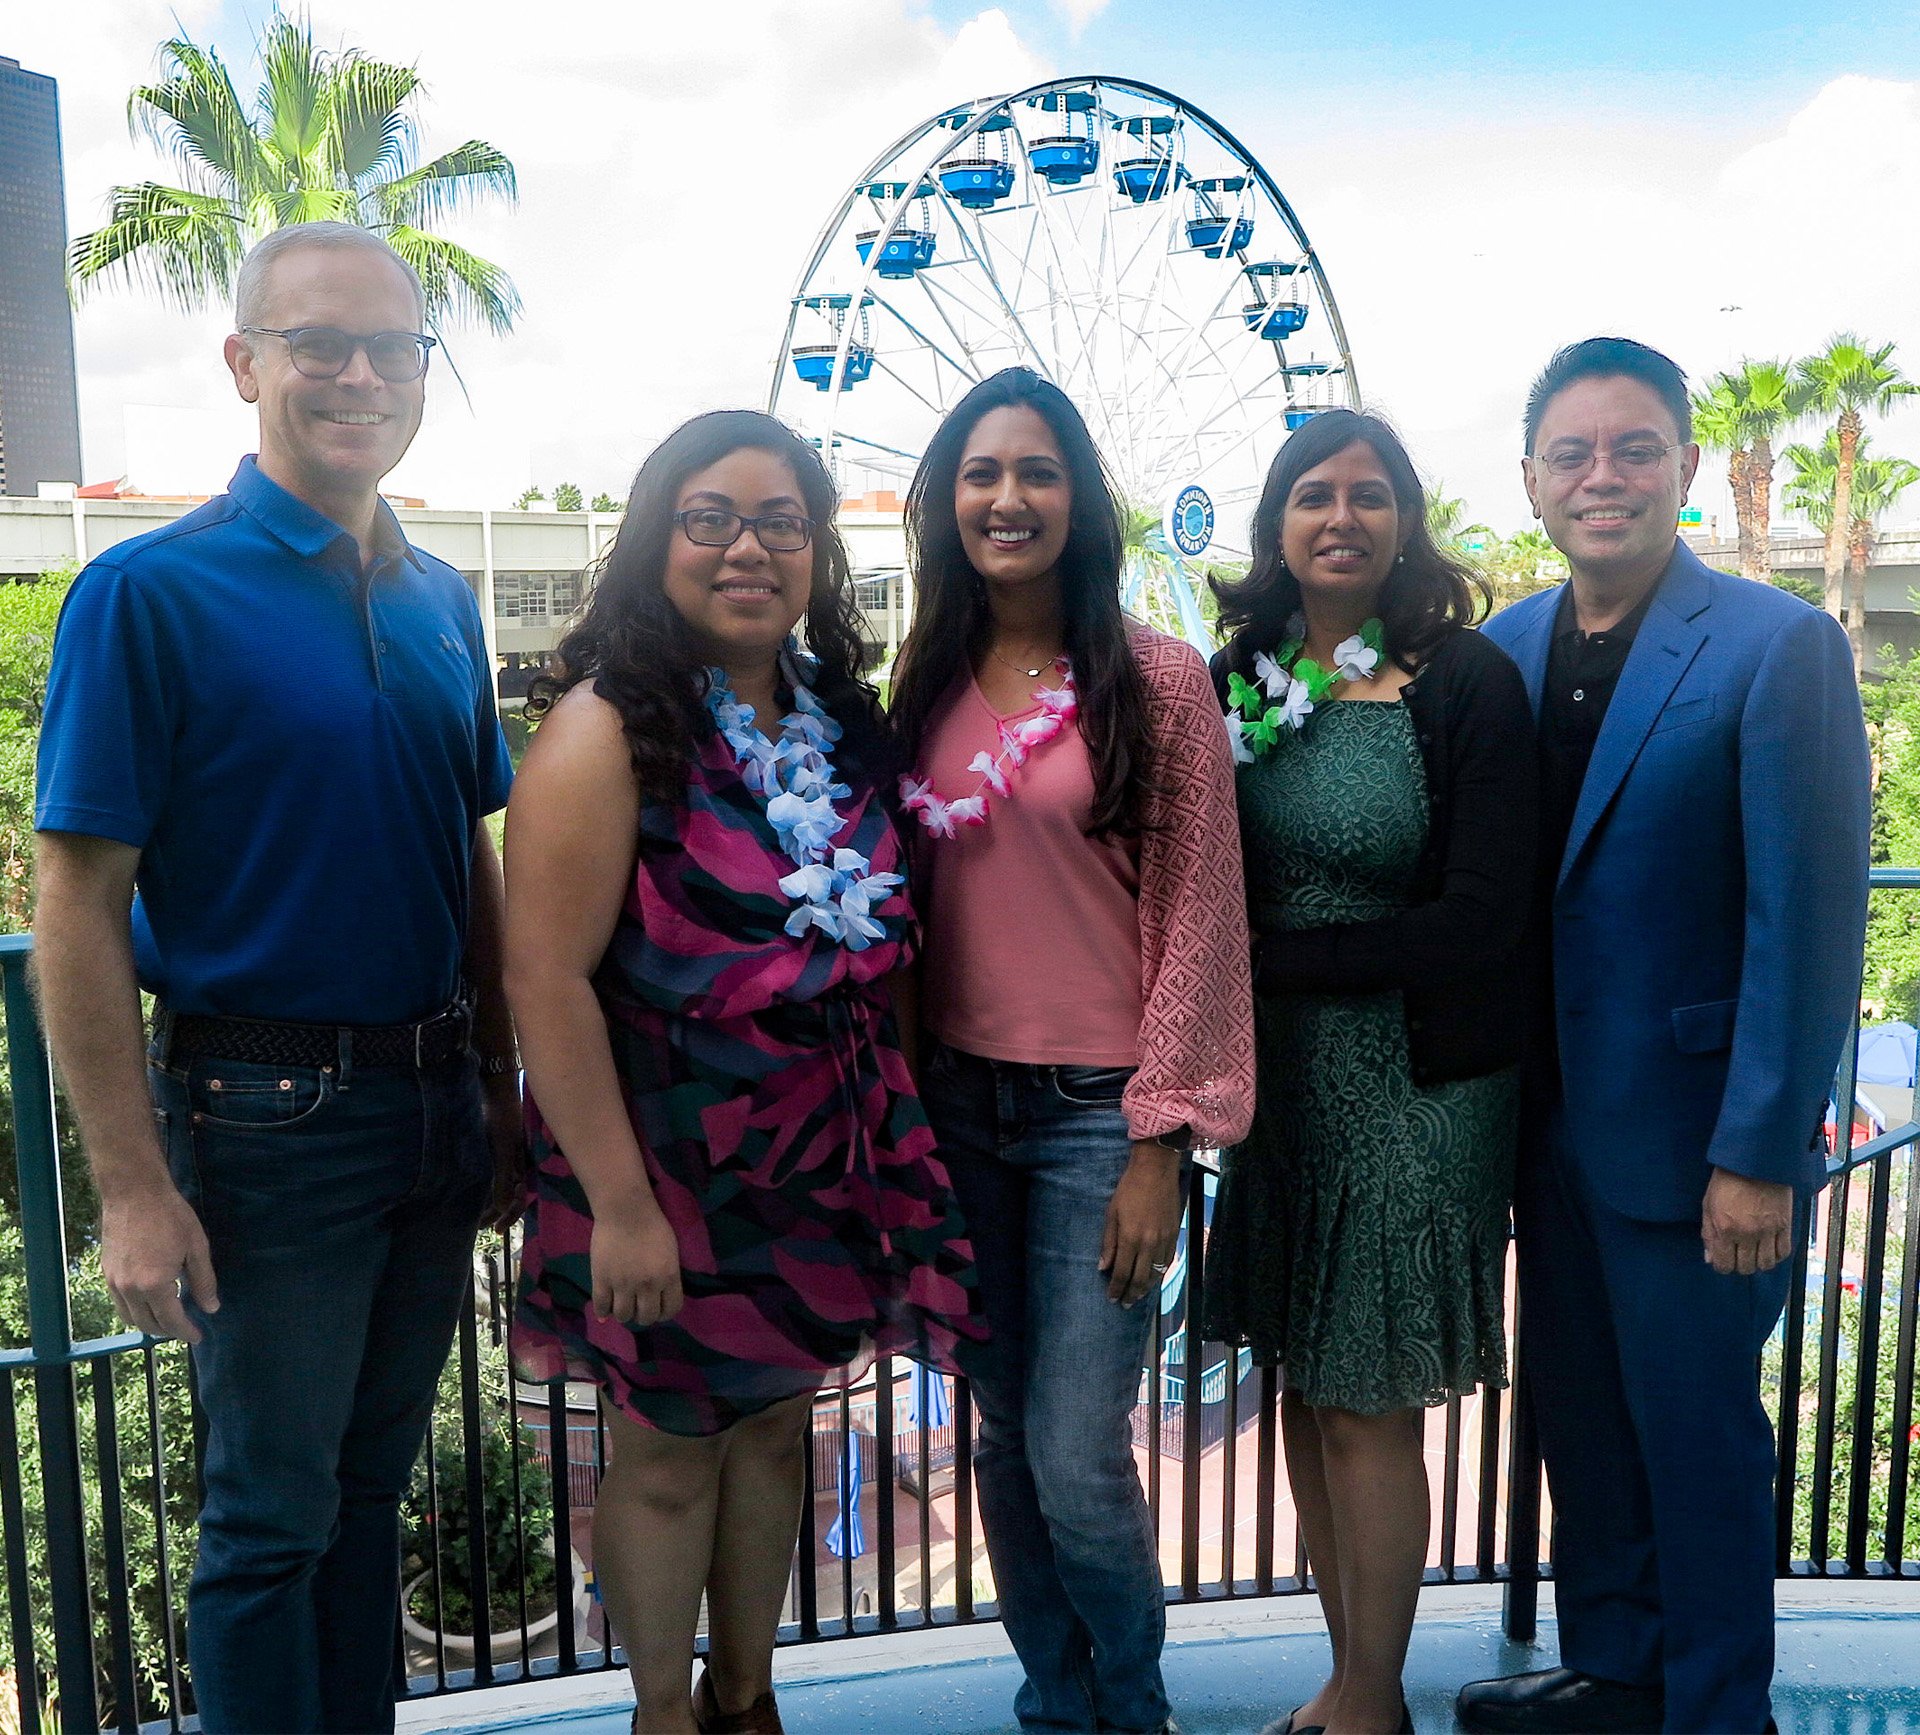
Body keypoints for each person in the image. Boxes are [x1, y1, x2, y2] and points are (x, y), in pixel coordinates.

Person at [31, 222, 519, 1732]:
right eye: (320, 343)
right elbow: (76, 901)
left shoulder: (442, 598)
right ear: (247, 363)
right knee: (266, 1525)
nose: (359, 374)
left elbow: (471, 858)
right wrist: (127, 1185)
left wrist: (502, 1091)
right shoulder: (147, 598)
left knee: (371, 1498)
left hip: (436, 1110)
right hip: (264, 1116)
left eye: (391, 347)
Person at [505, 409, 981, 1735]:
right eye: (710, 519)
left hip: (812, 1161)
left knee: (777, 1431)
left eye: (781, 521)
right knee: (662, 1458)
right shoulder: (609, 732)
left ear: (816, 550)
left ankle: (749, 1693)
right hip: (661, 1164)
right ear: (658, 539)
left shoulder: (838, 719)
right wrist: (621, 1206)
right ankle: (666, 1714)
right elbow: (543, 979)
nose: (748, 548)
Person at [1457, 337, 1871, 1735]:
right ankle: (1617, 1672)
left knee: (1698, 1442)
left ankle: (1712, 1710)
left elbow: (1807, 922)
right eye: (1572, 454)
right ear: (1530, 482)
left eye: (1635, 448)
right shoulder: (1502, 651)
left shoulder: (1778, 645)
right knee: (1583, 1420)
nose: (1604, 477)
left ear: (1688, 464)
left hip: (1699, 1144)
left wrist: (1762, 1149)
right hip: (1545, 1129)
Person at [888, 366, 1254, 1735]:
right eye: (981, 473)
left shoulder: (1153, 680)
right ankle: (1056, 1703)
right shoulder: (918, 680)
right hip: (956, 1112)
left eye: (1037, 471)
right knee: (996, 1436)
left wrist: (1163, 1145)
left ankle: (1132, 1708)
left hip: (1103, 1116)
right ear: (946, 502)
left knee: (1079, 1454)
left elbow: (1205, 918)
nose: (1007, 497)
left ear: (1080, 498)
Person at [1200, 410, 1537, 1735]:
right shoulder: (1251, 678)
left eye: (1369, 494)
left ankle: (1376, 1695)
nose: (1342, 517)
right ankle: (1349, 1673)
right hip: (1281, 1092)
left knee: (1366, 1397)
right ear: (1277, 526)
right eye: (1313, 495)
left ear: (1406, 519)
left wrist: (1268, 963)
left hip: (1416, 1084)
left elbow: (1482, 919)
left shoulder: (1461, 683)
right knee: (1299, 1380)